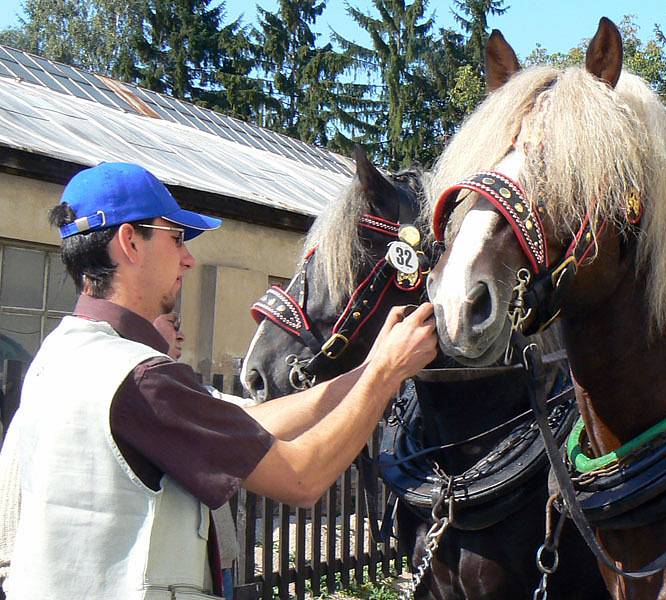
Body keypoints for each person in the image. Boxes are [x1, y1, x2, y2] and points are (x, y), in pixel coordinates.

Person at [2, 162, 438, 600]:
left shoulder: (62, 356)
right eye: (176, 239)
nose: (188, 258)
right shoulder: (139, 378)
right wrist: (386, 374)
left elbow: (252, 424)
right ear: (130, 242)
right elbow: (302, 478)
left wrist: (367, 368)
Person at [152, 311, 239, 600]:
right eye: (171, 325)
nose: (181, 335)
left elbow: (250, 413)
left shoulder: (193, 392)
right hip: (170, 576)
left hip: (216, 560)